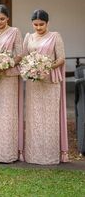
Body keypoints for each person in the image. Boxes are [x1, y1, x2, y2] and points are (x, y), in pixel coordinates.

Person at [23, 9, 68, 164]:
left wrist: (46, 67)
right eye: (35, 24)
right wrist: (32, 68)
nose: (38, 27)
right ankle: (33, 154)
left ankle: (49, 155)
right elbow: (24, 57)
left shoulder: (55, 36)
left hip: (50, 82)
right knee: (34, 117)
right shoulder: (28, 37)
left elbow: (61, 58)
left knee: (49, 118)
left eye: (41, 24)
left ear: (47, 23)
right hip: (33, 83)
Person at [0, 4, 24, 163]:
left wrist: (5, 65)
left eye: (2, 18)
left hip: (8, 77)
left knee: (8, 113)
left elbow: (19, 54)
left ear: (8, 18)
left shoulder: (14, 32)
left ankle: (7, 152)